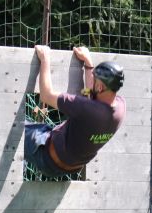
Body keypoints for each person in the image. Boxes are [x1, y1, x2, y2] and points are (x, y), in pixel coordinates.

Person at [25, 45, 126, 178]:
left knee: (12, 128)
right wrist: (88, 63)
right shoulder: (121, 107)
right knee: (41, 127)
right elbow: (91, 93)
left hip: (47, 158)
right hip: (72, 169)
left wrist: (45, 59)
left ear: (100, 87)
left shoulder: (86, 108)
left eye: (95, 79)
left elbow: (46, 96)